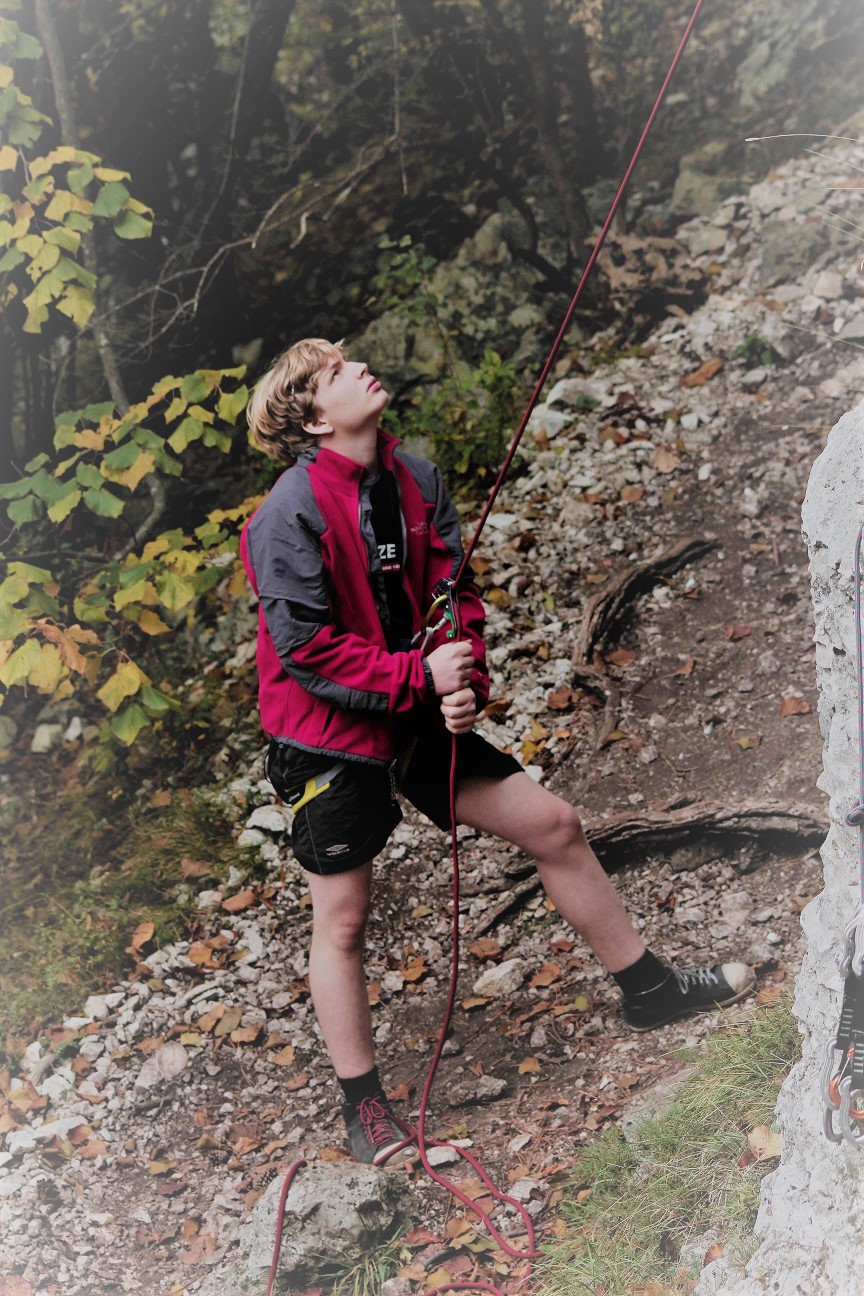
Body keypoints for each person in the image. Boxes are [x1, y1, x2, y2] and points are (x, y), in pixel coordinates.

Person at [239, 338, 755, 1167]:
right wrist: (418, 675)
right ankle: (363, 1108)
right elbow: (304, 648)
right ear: (310, 415)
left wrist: (463, 675)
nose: (360, 366)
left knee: (554, 825)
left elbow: (457, 598)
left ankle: (652, 991)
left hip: (411, 713)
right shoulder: (286, 514)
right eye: (336, 372)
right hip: (326, 736)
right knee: (343, 920)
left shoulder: (418, 480)